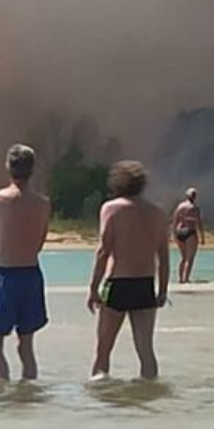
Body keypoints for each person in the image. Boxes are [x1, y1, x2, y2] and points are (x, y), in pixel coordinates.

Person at [88, 161, 169, 380]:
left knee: (103, 349)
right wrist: (162, 291)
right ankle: (150, 396)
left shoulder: (111, 209)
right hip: (144, 284)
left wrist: (93, 288)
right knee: (146, 351)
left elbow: (104, 251)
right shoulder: (157, 213)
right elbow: (163, 255)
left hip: (117, 284)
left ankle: (98, 398)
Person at [0, 144, 51, 380]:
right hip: (31, 274)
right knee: (26, 347)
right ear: (32, 169)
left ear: (8, 167)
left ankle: (2, 393)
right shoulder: (42, 203)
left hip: (6, 274)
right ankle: (28, 396)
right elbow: (39, 242)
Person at [171, 187, 205, 284]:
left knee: (184, 257)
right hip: (190, 232)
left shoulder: (180, 206)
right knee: (190, 258)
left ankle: (180, 279)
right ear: (195, 197)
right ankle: (186, 279)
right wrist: (202, 237)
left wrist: (174, 234)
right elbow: (199, 223)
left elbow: (174, 220)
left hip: (179, 232)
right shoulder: (194, 208)